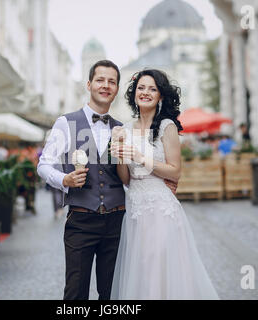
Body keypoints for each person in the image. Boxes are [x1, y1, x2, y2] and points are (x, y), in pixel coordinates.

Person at [37, 60, 179, 300]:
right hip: (81, 219)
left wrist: (159, 182)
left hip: (117, 221)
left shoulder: (123, 129)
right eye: (100, 80)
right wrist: (65, 179)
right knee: (75, 292)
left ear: (117, 88)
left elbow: (130, 173)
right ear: (89, 84)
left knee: (113, 292)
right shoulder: (66, 123)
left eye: (112, 81)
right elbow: (44, 165)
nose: (106, 86)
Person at [110, 69, 219, 299]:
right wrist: (119, 153)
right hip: (136, 210)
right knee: (141, 270)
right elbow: (126, 179)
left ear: (160, 96)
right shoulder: (126, 129)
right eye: (141, 88)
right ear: (134, 93)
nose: (146, 93)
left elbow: (175, 172)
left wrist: (140, 157)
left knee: (160, 267)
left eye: (152, 89)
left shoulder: (166, 126)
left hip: (160, 208)